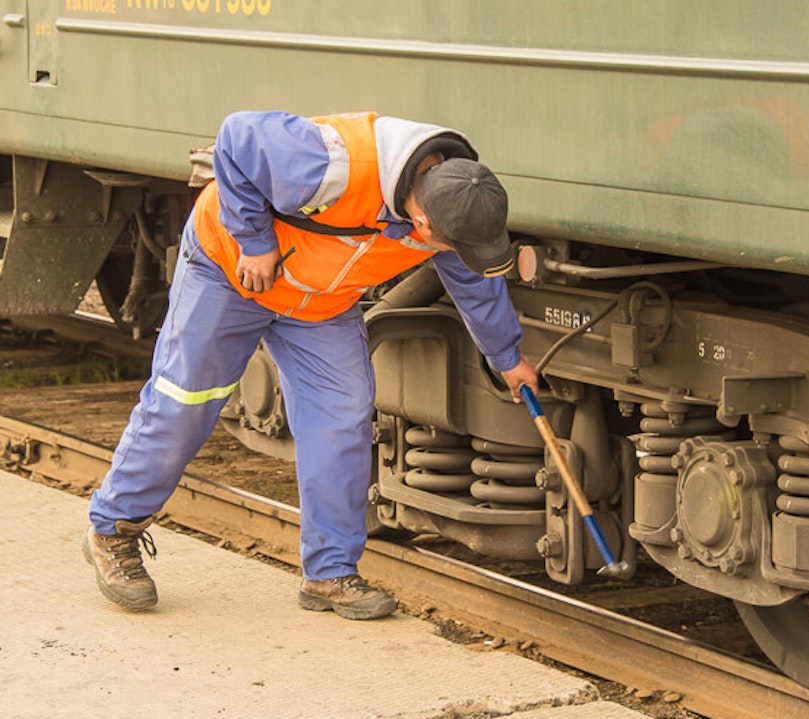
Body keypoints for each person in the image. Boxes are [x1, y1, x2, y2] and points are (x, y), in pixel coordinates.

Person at [82, 110, 538, 619]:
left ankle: (329, 573)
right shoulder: (335, 162)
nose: (452, 253)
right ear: (424, 222)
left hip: (321, 303)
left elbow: (475, 284)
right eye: (449, 245)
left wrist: (506, 357)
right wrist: (255, 243)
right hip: (231, 273)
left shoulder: (453, 200)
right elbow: (237, 138)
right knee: (185, 401)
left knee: (341, 419)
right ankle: (113, 529)